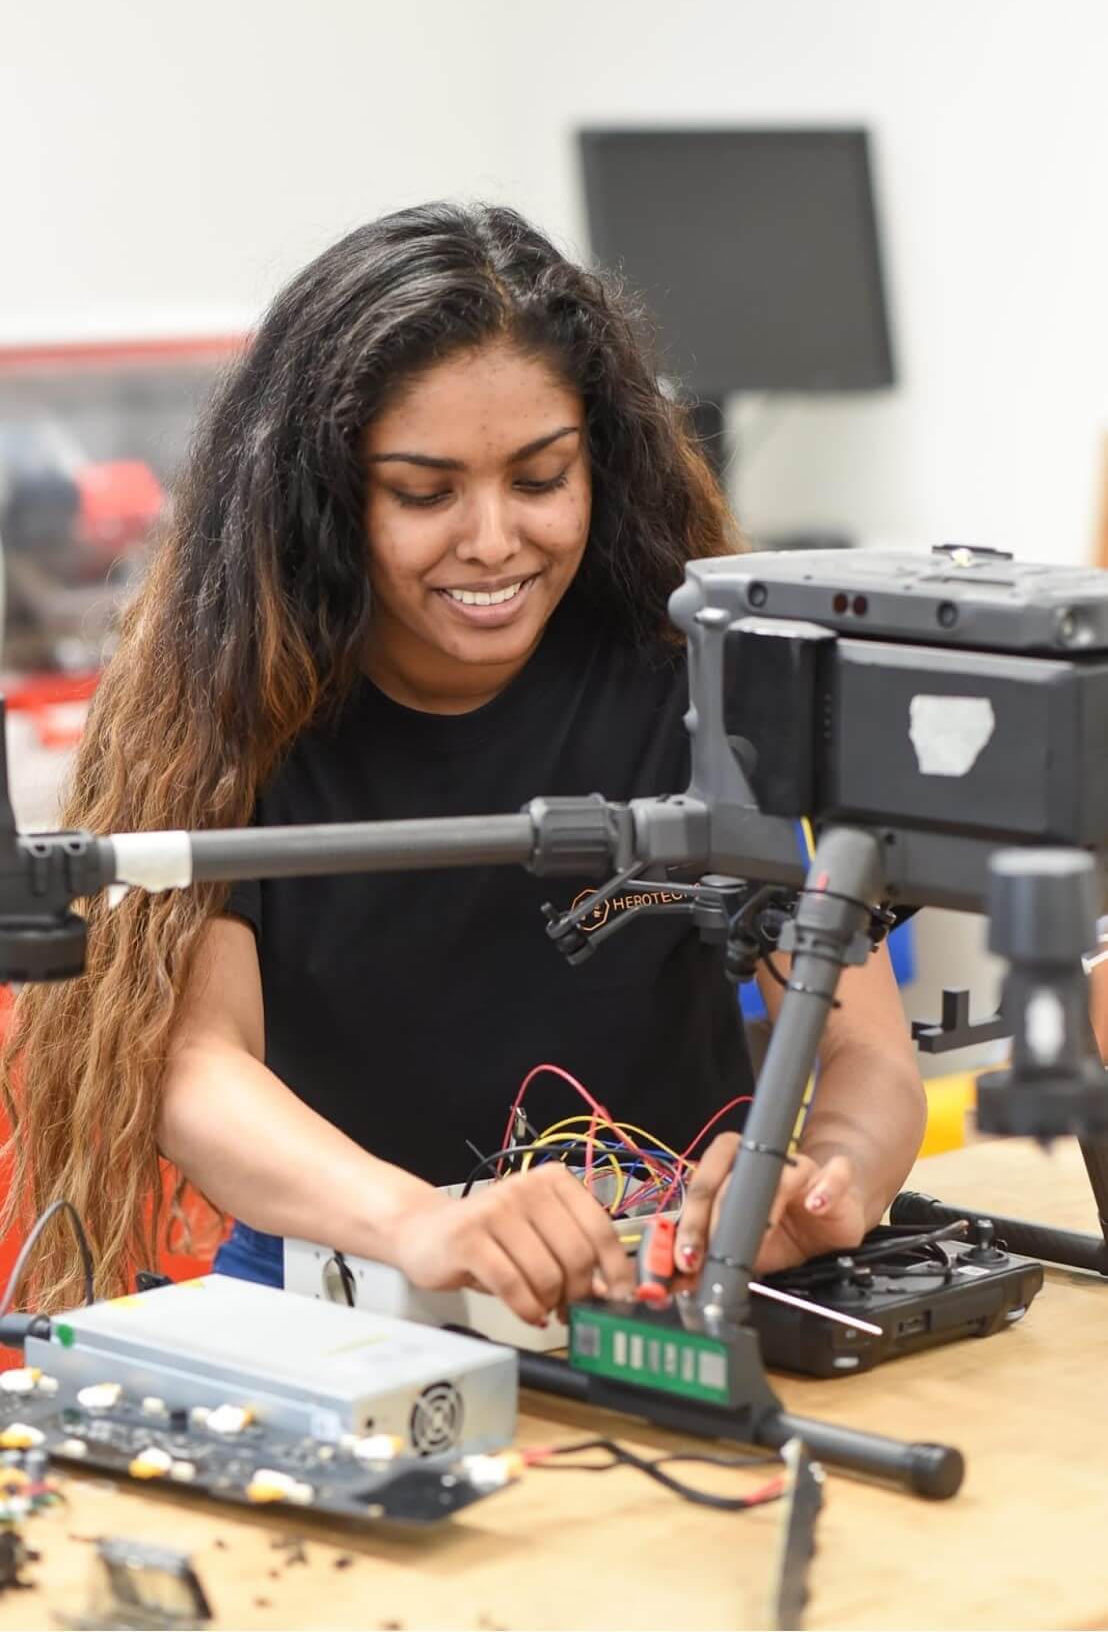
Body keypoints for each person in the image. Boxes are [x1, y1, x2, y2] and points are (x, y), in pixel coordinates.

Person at [1, 204, 926, 1320]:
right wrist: (425, 1225)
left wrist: (826, 1177)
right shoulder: (240, 710)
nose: (491, 539)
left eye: (539, 480)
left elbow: (865, 1047)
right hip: (346, 1287)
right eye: (425, 493)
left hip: (657, 1297)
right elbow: (196, 1066)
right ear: (327, 498)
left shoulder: (692, 680)